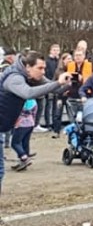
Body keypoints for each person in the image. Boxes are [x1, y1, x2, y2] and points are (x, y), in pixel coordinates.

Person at [0, 51, 73, 195]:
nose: (43, 72)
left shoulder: (30, 75)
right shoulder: (14, 78)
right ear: (28, 67)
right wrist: (58, 83)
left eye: (44, 68)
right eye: (40, 68)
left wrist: (69, 84)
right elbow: (28, 93)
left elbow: (54, 88)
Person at [37, 44, 61, 132]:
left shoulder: (59, 62)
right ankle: (48, 123)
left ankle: (55, 123)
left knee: (55, 106)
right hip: (48, 84)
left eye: (57, 50)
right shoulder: (47, 61)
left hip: (57, 84)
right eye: (54, 50)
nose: (56, 52)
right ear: (50, 51)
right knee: (48, 105)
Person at [10, 99, 37, 171]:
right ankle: (23, 162)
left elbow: (14, 113)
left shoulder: (18, 101)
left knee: (15, 143)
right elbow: (34, 113)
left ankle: (24, 158)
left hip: (21, 124)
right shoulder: (33, 101)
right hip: (30, 123)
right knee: (25, 143)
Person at [51, 52, 73, 138]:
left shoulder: (73, 70)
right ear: (63, 60)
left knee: (71, 114)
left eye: (71, 59)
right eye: (68, 59)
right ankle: (56, 131)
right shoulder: (58, 71)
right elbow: (54, 82)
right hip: (59, 95)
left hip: (69, 95)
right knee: (57, 114)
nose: (70, 60)